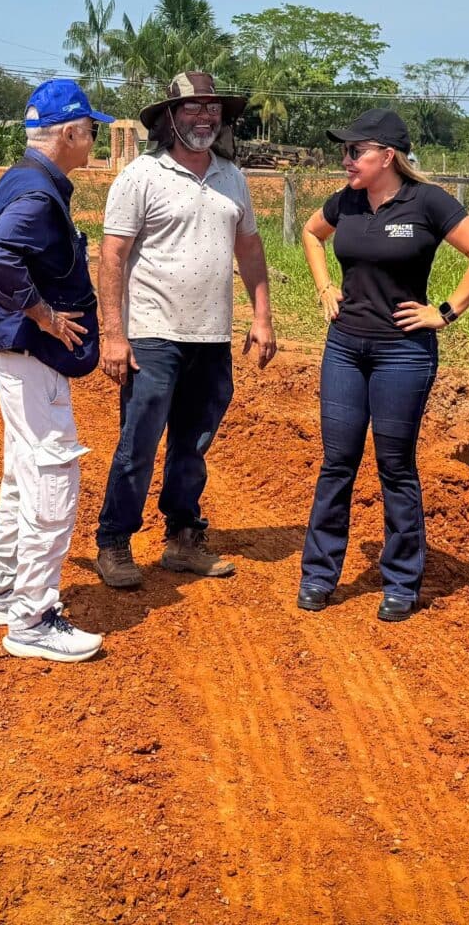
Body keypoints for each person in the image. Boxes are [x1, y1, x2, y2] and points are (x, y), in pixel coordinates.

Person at [295, 108, 469, 621]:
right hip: (344, 347)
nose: (345, 160)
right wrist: (324, 285)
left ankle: (402, 582)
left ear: (387, 156)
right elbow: (309, 233)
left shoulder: (426, 201)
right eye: (344, 151)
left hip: (402, 353)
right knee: (337, 463)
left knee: (395, 466)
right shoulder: (344, 201)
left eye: (354, 151)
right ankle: (320, 574)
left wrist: (446, 312)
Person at [91, 72, 277, 590]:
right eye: (193, 109)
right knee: (141, 440)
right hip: (152, 332)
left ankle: (182, 539)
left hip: (212, 335)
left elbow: (250, 250)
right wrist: (113, 333)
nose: (205, 118)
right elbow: (113, 256)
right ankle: (114, 541)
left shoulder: (231, 177)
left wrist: (261, 316)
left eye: (213, 110)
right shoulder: (140, 176)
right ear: (169, 118)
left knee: (193, 443)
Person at [0, 79, 115, 662]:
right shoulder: (38, 193)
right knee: (53, 473)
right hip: (33, 353)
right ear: (70, 132)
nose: (93, 138)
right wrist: (41, 313)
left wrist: (10, 304)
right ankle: (32, 618)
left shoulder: (24, 178)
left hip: (18, 353)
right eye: (90, 130)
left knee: (23, 471)